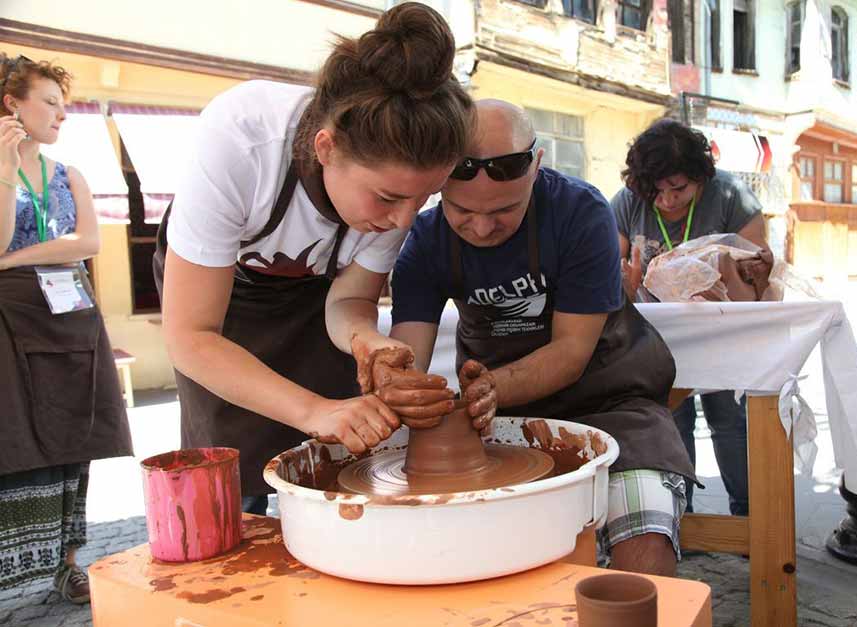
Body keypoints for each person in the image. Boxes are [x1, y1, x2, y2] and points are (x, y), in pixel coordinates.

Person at [154, 2, 472, 514]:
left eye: (425, 199)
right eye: (389, 199)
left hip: (309, 299)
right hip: (220, 303)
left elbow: (349, 299)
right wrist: (313, 409)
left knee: (334, 455)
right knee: (235, 465)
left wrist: (368, 343)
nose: (405, 221)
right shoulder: (242, 140)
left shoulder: (391, 201)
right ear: (325, 148)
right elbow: (190, 336)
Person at [390, 100, 695, 577]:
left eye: (506, 209)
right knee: (462, 557)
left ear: (537, 164)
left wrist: (489, 388)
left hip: (614, 406)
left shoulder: (579, 211)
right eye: (462, 210)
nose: (483, 227)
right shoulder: (426, 239)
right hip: (501, 422)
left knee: (644, 545)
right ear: (437, 186)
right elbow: (407, 354)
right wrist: (398, 384)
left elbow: (571, 351)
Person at [0, 54, 133, 603]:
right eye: (50, 103)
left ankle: (68, 564)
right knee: (14, 434)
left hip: (69, 314)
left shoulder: (68, 173)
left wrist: (11, 261)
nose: (62, 115)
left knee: (75, 434)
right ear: (12, 105)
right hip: (11, 318)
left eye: (63, 104)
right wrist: (5, 170)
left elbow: (89, 244)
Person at [611, 118, 773, 516]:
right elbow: (610, 268)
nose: (666, 201)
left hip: (721, 331)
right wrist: (625, 283)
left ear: (701, 177)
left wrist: (741, 269)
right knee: (669, 419)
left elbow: (756, 270)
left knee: (731, 420)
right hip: (655, 336)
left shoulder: (731, 195)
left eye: (678, 188)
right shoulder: (628, 200)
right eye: (656, 191)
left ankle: (750, 517)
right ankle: (679, 517)